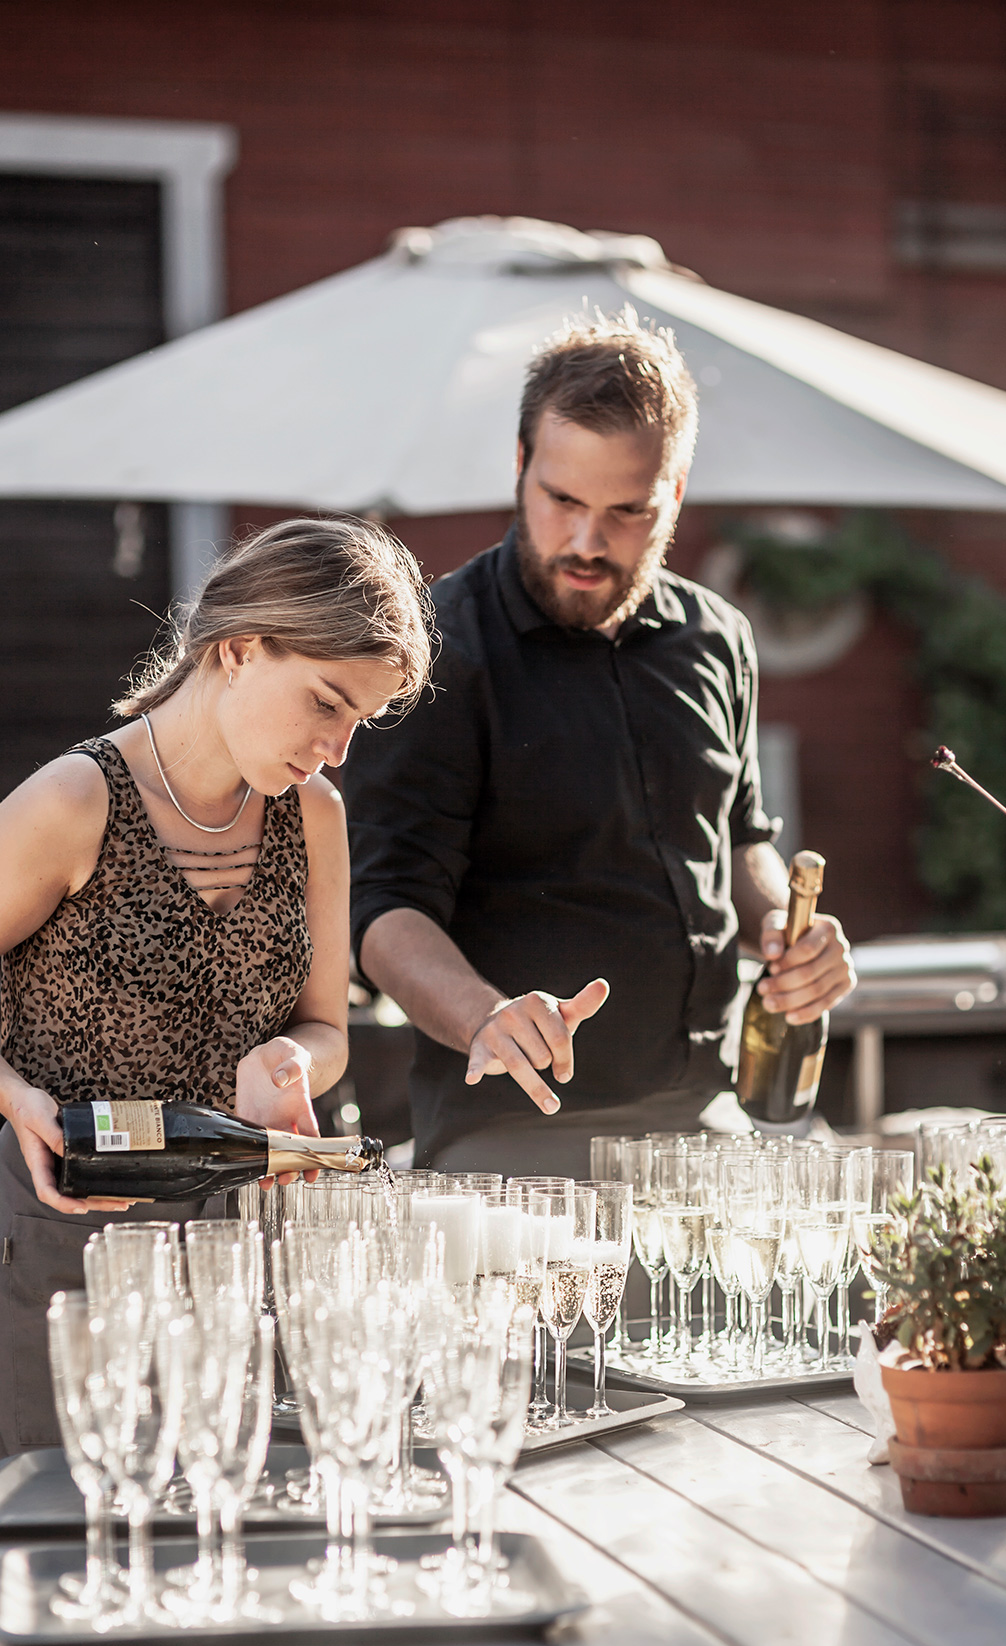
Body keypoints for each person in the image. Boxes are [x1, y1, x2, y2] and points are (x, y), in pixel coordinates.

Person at [0, 515, 430, 1646]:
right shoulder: (78, 798)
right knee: (73, 1640)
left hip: (235, 1269)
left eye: (362, 720)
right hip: (59, 1264)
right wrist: (17, 1095)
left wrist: (291, 1067)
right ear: (237, 649)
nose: (337, 743)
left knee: (222, 1626)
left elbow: (322, 1025)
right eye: (328, 702)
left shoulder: (318, 819)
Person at [345, 311, 855, 1174]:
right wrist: (483, 1017)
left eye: (626, 511)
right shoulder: (437, 648)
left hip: (704, 1113)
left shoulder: (717, 636)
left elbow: (739, 839)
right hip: (512, 1131)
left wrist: (788, 933)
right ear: (519, 467)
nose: (586, 542)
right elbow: (382, 909)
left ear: (676, 493)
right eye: (563, 501)